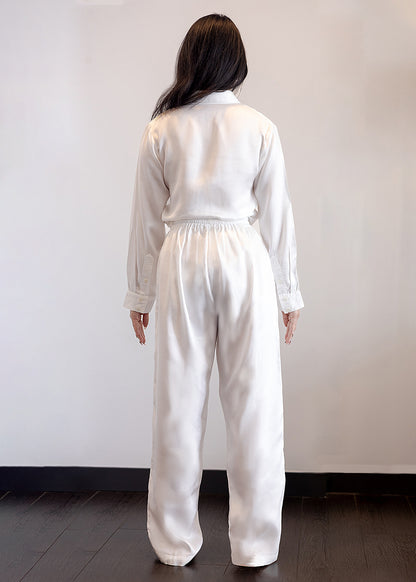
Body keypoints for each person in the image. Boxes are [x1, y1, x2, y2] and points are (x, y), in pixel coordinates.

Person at [123, 13, 305, 568]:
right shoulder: (260, 127)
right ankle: (255, 543)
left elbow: (147, 221)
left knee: (177, 402)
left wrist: (140, 295)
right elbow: (277, 218)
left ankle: (173, 540)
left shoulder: (162, 128)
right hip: (244, 257)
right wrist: (289, 295)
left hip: (181, 257)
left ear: (190, 59)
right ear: (237, 62)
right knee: (255, 404)